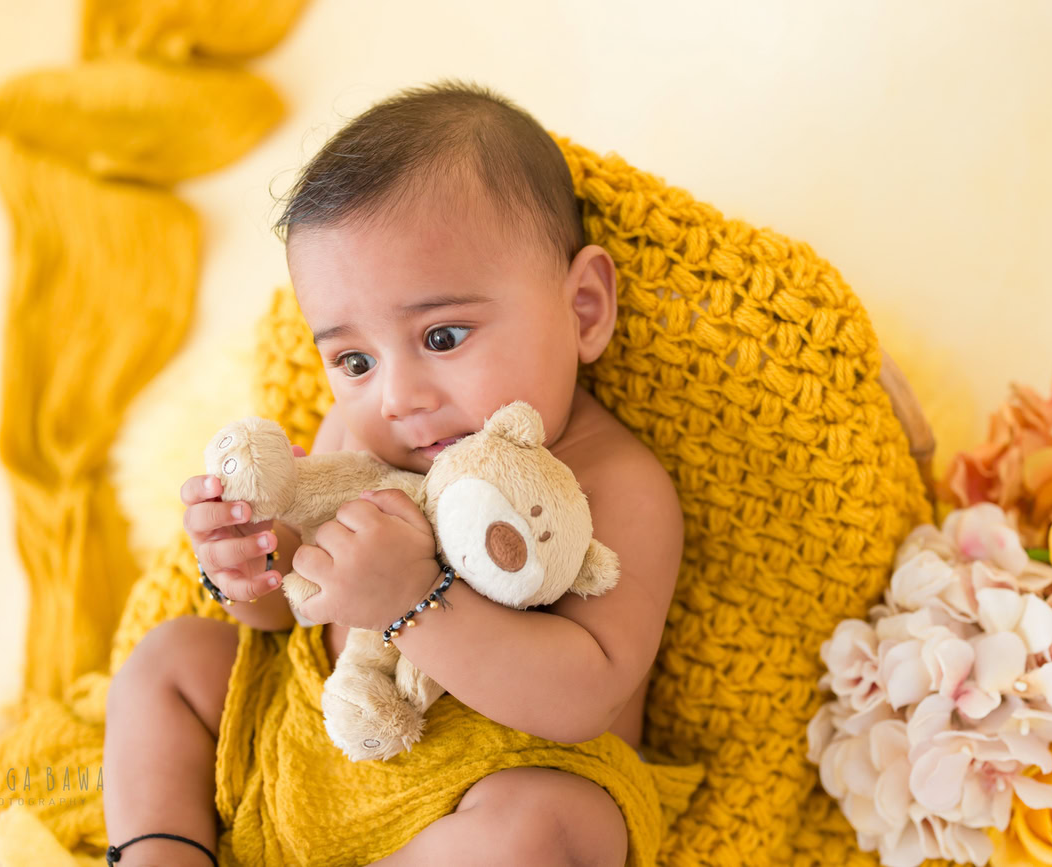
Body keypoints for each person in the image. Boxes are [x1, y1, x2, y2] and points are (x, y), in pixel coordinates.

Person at [102, 79, 684, 867]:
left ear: (583, 309)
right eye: (353, 359)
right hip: (300, 735)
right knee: (171, 657)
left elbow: (588, 693)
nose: (398, 397)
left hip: (484, 785)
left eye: (442, 336)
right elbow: (292, 618)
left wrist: (418, 603)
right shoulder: (358, 433)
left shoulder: (614, 483)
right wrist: (253, 566)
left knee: (558, 825)